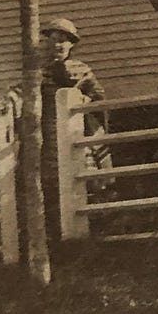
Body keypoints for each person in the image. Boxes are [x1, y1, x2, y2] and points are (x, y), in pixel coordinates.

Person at [39, 18, 106, 242]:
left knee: (82, 173)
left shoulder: (81, 69)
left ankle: (88, 230)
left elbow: (98, 96)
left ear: (71, 45)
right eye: (53, 40)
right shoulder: (39, 72)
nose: (58, 45)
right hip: (48, 130)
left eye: (63, 41)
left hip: (77, 128)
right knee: (51, 178)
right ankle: (55, 233)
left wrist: (83, 100)